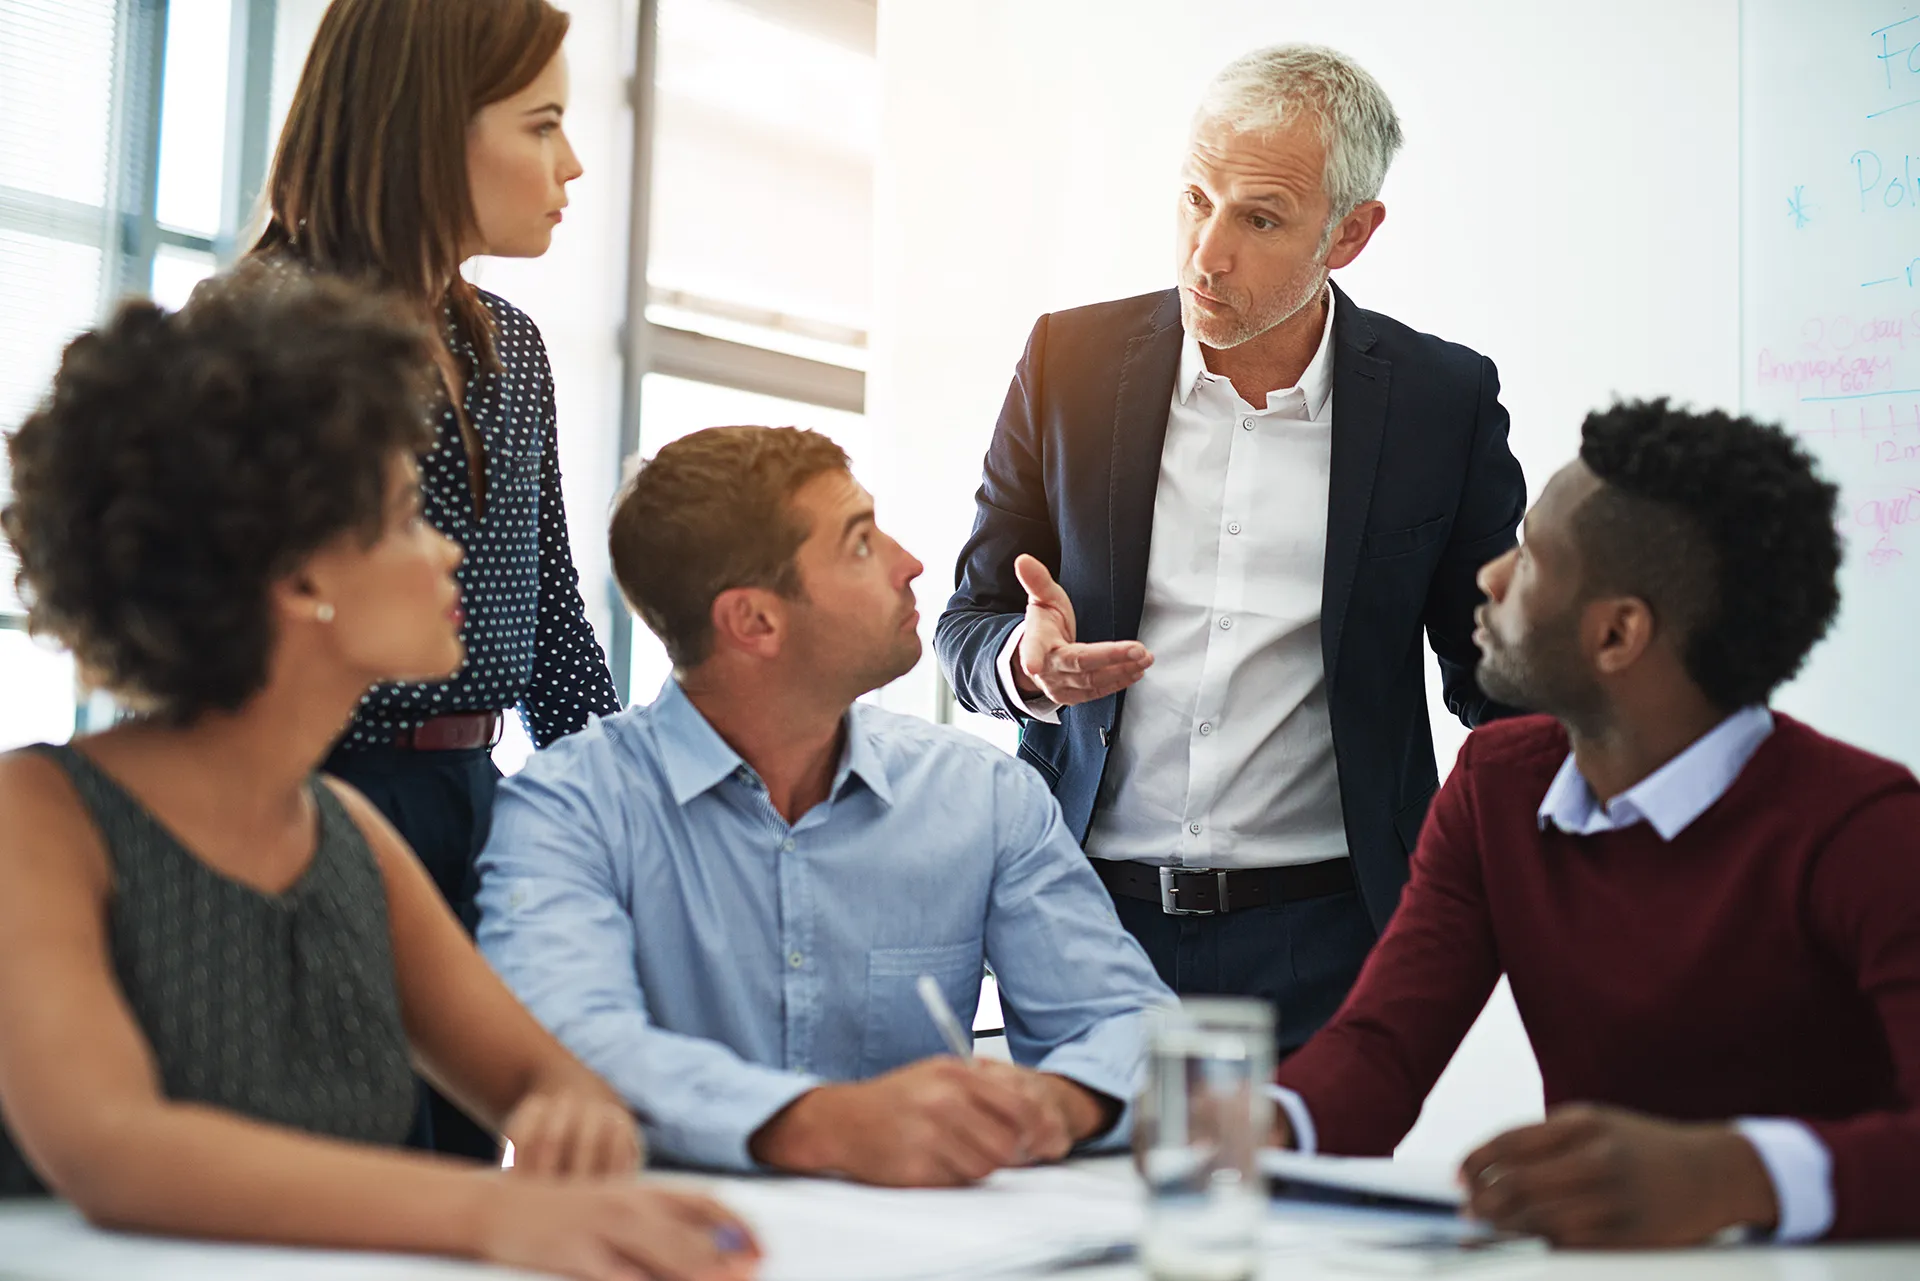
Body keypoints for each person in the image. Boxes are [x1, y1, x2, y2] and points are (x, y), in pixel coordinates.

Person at [0, 277, 757, 1281]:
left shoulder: (348, 835)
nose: (448, 550)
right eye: (408, 515)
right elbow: (113, 1149)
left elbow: (541, 1079)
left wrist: (574, 1115)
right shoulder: (36, 819)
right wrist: (491, 1214)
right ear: (303, 578)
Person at [935, 44, 1526, 1055]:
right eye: (1194, 199)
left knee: (1308, 1212)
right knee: (1067, 1209)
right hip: (1081, 919)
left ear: (1350, 235)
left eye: (1258, 218)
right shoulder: (1067, 364)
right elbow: (965, 630)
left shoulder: (1442, 404)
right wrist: (1024, 668)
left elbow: (1497, 677)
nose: (1206, 254)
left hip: (1333, 941)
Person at [1270, 401, 1920, 1245]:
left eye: (1532, 557)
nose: (1491, 578)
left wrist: (1731, 1174)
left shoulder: (1867, 830)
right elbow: (1384, 1046)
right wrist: (1260, 1130)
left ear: (1617, 634)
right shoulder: (1495, 788)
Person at [475, 426, 1176, 1187]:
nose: (911, 563)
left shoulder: (983, 794)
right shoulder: (566, 807)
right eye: (860, 544)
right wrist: (826, 1124)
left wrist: (1058, 1103)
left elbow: (1131, 1026)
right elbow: (570, 1044)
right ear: (755, 621)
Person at [243, 0, 622, 1158]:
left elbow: (549, 604)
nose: (573, 163)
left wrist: (634, 808)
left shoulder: (506, 341)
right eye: (541, 124)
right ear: (425, 129)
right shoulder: (266, 333)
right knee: (331, 1168)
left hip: (474, 799)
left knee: (460, 1150)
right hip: (309, 793)